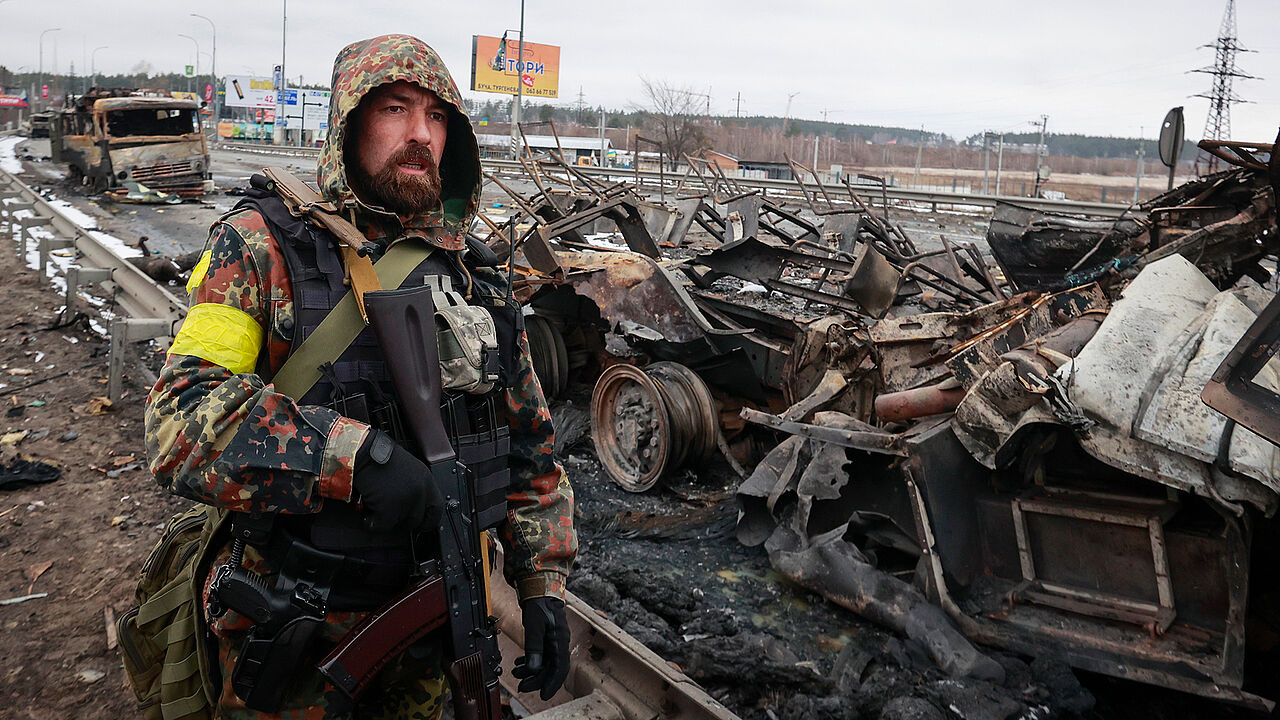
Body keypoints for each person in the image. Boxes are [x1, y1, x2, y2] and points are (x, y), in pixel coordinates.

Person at [144, 34, 576, 719]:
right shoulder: (262, 246)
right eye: (395, 109)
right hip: (299, 632)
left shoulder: (478, 280)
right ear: (348, 121)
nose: (419, 135)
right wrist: (353, 457)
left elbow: (529, 447)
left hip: (437, 627)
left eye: (437, 117)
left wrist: (542, 584)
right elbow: (180, 422)